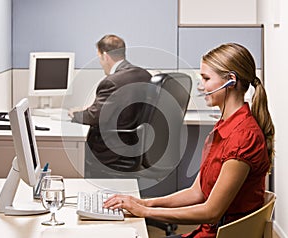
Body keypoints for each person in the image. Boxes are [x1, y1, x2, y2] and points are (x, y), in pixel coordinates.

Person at [103, 43, 275, 237]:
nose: (201, 86)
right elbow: (197, 193)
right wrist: (145, 202)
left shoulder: (243, 137)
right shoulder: (224, 127)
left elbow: (211, 212)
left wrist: (146, 212)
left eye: (206, 78)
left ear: (231, 81)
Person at [69, 34, 152, 172]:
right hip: (135, 146)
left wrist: (75, 114)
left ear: (105, 56)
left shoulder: (112, 81)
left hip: (110, 151)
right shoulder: (144, 75)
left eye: (99, 58)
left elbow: (93, 117)